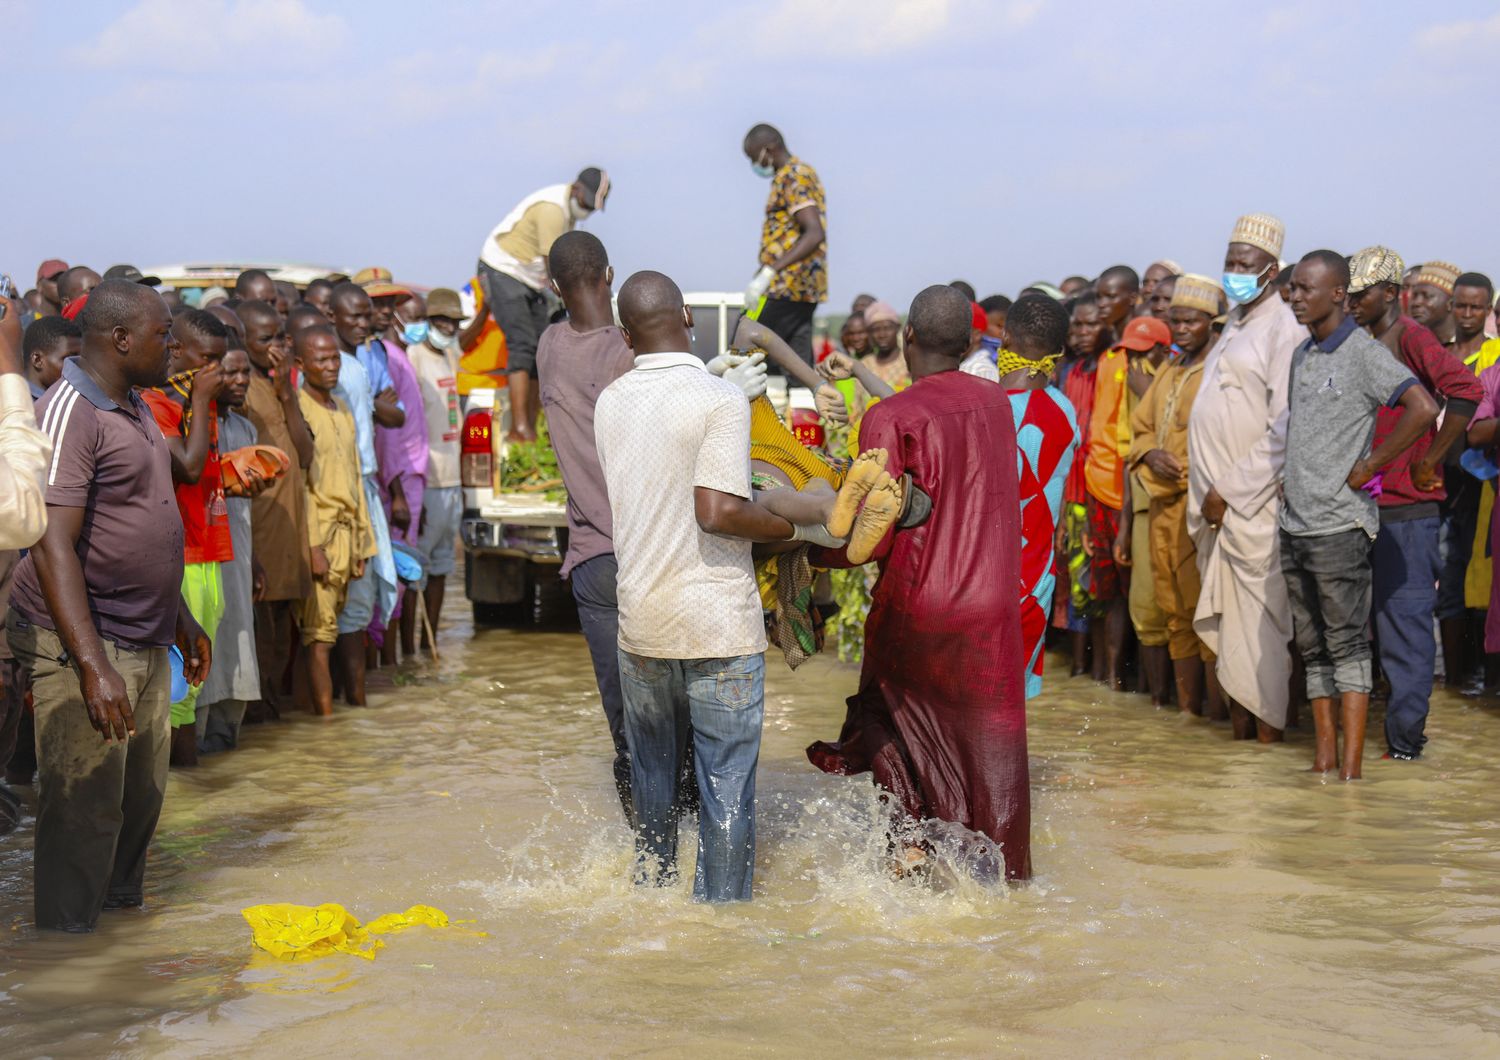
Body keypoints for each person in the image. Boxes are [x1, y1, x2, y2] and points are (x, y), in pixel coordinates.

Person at [595, 270, 826, 902]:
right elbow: (718, 511)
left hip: (642, 621)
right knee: (726, 785)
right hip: (718, 625)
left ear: (624, 335)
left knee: (652, 784)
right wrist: (791, 520)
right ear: (689, 319)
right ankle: (720, 931)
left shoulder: (610, 400)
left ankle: (651, 900)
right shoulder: (718, 401)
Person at [6, 279, 211, 931]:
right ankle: (66, 961)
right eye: (162, 335)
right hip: (86, 642)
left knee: (139, 801)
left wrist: (181, 616)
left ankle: (119, 960)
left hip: (148, 634)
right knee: (83, 812)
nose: (173, 347)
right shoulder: (72, 410)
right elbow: (49, 543)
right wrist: (92, 665)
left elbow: (142, 517)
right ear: (120, 340)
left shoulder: (136, 404)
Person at [808, 285, 1030, 881]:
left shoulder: (889, 417)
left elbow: (867, 537)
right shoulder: (997, 404)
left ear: (908, 337)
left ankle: (909, 848)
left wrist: (809, 555)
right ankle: (999, 876)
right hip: (991, 607)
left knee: (884, 715)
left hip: (920, 600)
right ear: (968, 344)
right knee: (986, 742)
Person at [1281, 250, 1436, 780]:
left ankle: (1351, 772)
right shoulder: (1302, 353)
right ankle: (1323, 763)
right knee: (1312, 648)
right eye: (1294, 288)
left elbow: (1423, 408)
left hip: (1340, 526)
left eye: (1305, 288)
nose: (1296, 297)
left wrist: (1372, 463)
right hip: (1295, 522)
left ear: (1338, 295)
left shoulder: (1364, 354)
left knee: (1347, 646)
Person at [1345, 247, 1481, 761]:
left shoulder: (1411, 337)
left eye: (1363, 294)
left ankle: (1406, 747)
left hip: (1407, 512)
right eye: (1350, 294)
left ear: (1391, 293)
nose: (1354, 302)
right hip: (1361, 509)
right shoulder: (1359, 341)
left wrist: (1433, 461)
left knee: (1406, 634)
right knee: (1367, 632)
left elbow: (1464, 390)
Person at [1188, 213, 1302, 742]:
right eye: (1230, 263)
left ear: (1271, 270)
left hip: (1250, 510)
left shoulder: (1284, 329)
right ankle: (1240, 760)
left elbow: (1283, 428)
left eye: (1245, 265)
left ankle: (1268, 752)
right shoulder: (1232, 324)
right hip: (1214, 513)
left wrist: (1229, 492)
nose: (1235, 272)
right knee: (1228, 639)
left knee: (1259, 637)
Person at [535, 234, 637, 817]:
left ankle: (646, 863)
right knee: (681, 719)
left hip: (593, 562)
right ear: (611, 274)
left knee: (626, 730)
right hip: (651, 554)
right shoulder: (630, 354)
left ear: (554, 287)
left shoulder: (549, 346)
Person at [140, 309, 234, 767]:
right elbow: (189, 467)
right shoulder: (160, 402)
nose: (216, 371)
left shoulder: (196, 396)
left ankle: (192, 800)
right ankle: (179, 799)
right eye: (209, 360)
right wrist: (199, 396)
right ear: (177, 352)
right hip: (184, 554)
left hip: (209, 548)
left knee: (193, 684)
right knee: (179, 687)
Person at [1130, 274, 1224, 716]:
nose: (1182, 329)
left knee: (1205, 611)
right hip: (1163, 505)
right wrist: (1149, 453)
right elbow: (1141, 427)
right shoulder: (1171, 368)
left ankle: (1214, 715)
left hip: (1201, 508)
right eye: (1177, 321)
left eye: (1191, 322)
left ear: (1212, 321)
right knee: (1173, 611)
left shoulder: (1221, 369)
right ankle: (1187, 715)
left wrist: (1182, 469)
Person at [477, 166, 611, 441]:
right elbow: (555, 265)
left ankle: (533, 427)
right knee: (522, 344)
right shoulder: (553, 209)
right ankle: (519, 428)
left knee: (542, 347)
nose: (588, 211)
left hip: (529, 279)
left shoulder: (568, 215)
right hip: (503, 269)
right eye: (587, 203)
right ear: (576, 190)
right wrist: (573, 300)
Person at [997, 294, 1079, 699]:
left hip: (975, 578)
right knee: (1011, 706)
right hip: (1033, 580)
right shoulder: (1066, 412)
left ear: (1004, 337)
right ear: (1060, 351)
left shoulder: (980, 407)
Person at [236, 300, 313, 721]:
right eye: (264, 340)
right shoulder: (240, 389)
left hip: (289, 532)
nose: (276, 348)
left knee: (281, 641)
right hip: (259, 533)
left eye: (280, 338)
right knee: (260, 643)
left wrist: (286, 392)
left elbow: (304, 455)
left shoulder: (280, 385)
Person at [1086, 314, 1171, 689]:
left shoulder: (1165, 379)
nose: (1133, 358)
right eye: (1129, 350)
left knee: (1147, 596)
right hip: (1104, 488)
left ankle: (1146, 689)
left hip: (1141, 495)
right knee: (1114, 595)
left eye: (1142, 351)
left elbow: (1136, 444)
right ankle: (1113, 681)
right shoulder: (1112, 365)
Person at [294, 325, 374, 717]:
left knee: (346, 627)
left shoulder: (341, 408)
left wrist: (362, 543)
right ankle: (326, 724)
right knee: (319, 637)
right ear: (301, 364)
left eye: (334, 359)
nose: (330, 367)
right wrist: (311, 547)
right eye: (321, 360)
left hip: (348, 535)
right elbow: (303, 486)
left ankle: (340, 718)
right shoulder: (300, 409)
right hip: (321, 537)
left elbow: (355, 477)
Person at [329, 282, 401, 702]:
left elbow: (395, 413)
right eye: (352, 316)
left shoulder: (362, 362)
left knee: (362, 596)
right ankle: (353, 701)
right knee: (354, 598)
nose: (361, 323)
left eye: (364, 315)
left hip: (364, 486)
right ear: (333, 317)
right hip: (350, 490)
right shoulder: (339, 366)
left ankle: (351, 704)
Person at [195, 346, 263, 752]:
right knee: (205, 649)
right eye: (230, 373)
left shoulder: (244, 429)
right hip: (200, 556)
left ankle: (225, 745)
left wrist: (255, 561)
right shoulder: (190, 424)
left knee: (238, 643)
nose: (240, 381)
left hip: (238, 553)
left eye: (245, 373)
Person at [403, 288, 465, 659]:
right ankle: (409, 646)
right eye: (440, 321)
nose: (447, 327)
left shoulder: (448, 355)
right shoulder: (414, 359)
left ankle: (432, 643)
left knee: (442, 565)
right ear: (428, 322)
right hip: (426, 479)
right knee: (416, 570)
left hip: (452, 477)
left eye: (452, 322)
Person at [741, 124, 827, 367]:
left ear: (768, 149)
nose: (754, 165)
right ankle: (802, 402)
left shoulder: (794, 175)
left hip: (788, 286)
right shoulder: (785, 177)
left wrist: (771, 271)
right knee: (796, 365)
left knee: (745, 347)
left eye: (753, 157)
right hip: (795, 288)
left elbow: (814, 232)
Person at [1058, 292, 1105, 677]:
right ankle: (1079, 672)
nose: (1083, 332)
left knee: (1097, 587)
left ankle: (1100, 672)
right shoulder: (1070, 372)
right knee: (1077, 583)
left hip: (1098, 492)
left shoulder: (1109, 367)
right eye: (1077, 325)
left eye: (1091, 324)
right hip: (1071, 493)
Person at [22, 314, 81, 398]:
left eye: (80, 358)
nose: (78, 366)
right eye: (69, 359)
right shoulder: (15, 404)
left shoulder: (71, 396)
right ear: (37, 360)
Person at [1407, 262, 1461, 348]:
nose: (1416, 303)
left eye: (1427, 296)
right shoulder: (1414, 346)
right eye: (1415, 296)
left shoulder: (1481, 348)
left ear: (1450, 304)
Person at [1094, 265, 1140, 344]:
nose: (1101, 304)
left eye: (1111, 296)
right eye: (1099, 297)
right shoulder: (1103, 345)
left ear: (1133, 298)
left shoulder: (1143, 343)